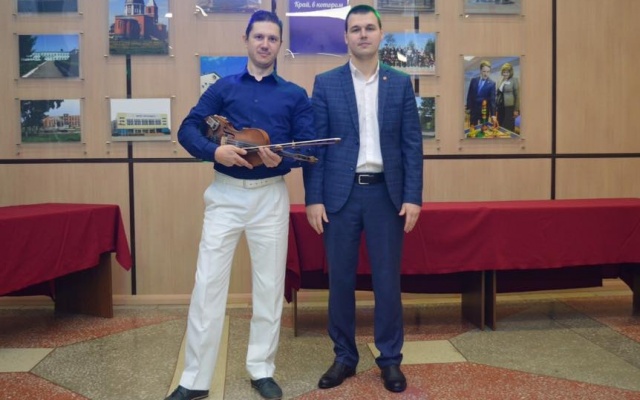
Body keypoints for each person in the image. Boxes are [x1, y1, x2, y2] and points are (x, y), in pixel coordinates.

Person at [166, 10, 315, 400]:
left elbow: (305, 147)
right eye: (259, 37)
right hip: (226, 194)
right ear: (246, 40)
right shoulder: (223, 88)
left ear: (279, 45)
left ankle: (261, 369)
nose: (265, 44)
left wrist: (281, 160)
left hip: (270, 195)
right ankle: (195, 379)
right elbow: (188, 128)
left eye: (272, 38)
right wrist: (215, 151)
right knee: (207, 285)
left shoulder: (294, 95)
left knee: (269, 285)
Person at [302, 4, 423, 394]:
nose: (363, 34)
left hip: (387, 195)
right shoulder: (326, 83)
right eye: (355, 29)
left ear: (381, 34)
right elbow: (316, 147)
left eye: (370, 28)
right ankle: (344, 357)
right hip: (340, 196)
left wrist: (413, 197)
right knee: (340, 281)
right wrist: (313, 198)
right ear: (346, 37)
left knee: (387, 281)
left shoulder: (399, 83)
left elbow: (411, 145)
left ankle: (390, 360)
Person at [466, 59, 496, 126]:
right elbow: (469, 95)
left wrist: (493, 114)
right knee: (472, 128)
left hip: (484, 111)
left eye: (488, 72)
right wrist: (468, 107)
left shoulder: (492, 84)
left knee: (484, 128)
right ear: (480, 70)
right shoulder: (473, 80)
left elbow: (492, 100)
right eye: (484, 71)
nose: (486, 74)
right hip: (473, 110)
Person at [496, 62, 520, 132]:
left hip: (509, 108)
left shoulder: (514, 80)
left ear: (510, 72)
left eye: (507, 72)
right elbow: (498, 93)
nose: (505, 74)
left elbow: (517, 96)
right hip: (500, 107)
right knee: (500, 125)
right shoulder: (501, 80)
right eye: (504, 72)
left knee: (508, 127)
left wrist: (516, 109)